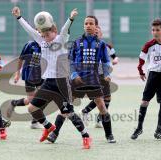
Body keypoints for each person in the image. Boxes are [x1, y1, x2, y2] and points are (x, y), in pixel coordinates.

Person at [12, 6, 92, 149]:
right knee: (32, 108)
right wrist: (19, 17)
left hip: (62, 83)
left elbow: (65, 28)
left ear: (54, 31)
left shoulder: (61, 39)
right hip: (48, 83)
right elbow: (30, 30)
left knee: (68, 112)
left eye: (46, 34)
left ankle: (85, 136)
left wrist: (71, 18)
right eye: (42, 35)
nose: (44, 37)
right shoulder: (41, 40)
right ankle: (48, 127)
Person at [47, 15, 116, 144]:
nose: (88, 25)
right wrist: (73, 75)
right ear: (83, 26)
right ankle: (54, 134)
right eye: (86, 23)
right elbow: (71, 61)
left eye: (91, 23)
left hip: (93, 79)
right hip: (77, 79)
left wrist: (107, 73)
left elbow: (106, 61)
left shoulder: (100, 44)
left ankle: (109, 135)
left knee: (101, 106)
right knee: (65, 107)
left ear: (96, 26)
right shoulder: (77, 42)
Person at [81, 25, 119, 128]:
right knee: (101, 98)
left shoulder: (107, 46)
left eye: (98, 33)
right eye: (95, 32)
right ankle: (96, 118)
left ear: (101, 34)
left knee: (107, 98)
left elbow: (114, 57)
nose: (96, 34)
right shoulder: (89, 45)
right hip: (95, 74)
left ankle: (90, 114)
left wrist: (115, 60)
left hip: (104, 75)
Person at [8, 40, 43, 129]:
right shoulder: (30, 45)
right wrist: (17, 73)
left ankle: (34, 122)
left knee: (42, 97)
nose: (41, 34)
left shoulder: (48, 44)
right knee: (31, 100)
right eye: (39, 31)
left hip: (42, 75)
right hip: (29, 74)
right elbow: (20, 59)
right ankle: (14, 103)